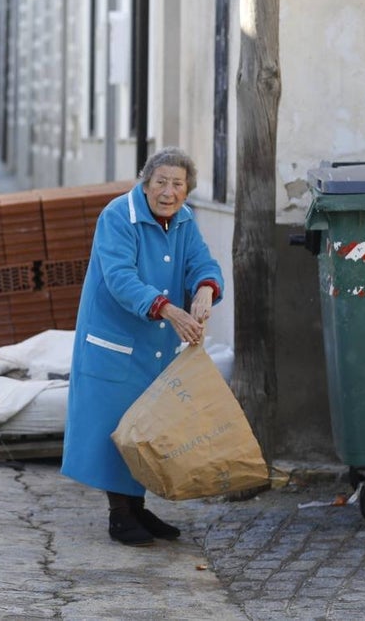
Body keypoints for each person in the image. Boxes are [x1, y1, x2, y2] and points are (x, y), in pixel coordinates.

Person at [61, 147, 224, 546]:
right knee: (115, 426)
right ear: (146, 182)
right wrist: (169, 310)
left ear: (188, 190)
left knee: (147, 428)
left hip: (155, 344)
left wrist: (204, 289)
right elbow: (120, 278)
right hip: (114, 341)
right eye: (160, 182)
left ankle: (137, 507)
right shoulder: (118, 216)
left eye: (177, 184)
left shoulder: (184, 220)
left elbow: (201, 263)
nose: (168, 192)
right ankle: (120, 516)